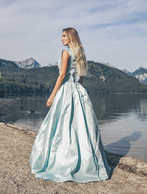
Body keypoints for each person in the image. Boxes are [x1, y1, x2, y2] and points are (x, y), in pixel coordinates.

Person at [30, 27, 111, 183]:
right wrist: (79, 91)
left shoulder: (65, 53)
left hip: (66, 91)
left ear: (70, 37)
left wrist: (52, 95)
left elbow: (61, 75)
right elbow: (81, 79)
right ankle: (86, 161)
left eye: (64, 36)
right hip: (78, 91)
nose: (61, 39)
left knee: (63, 125)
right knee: (80, 127)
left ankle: (63, 160)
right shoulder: (80, 55)